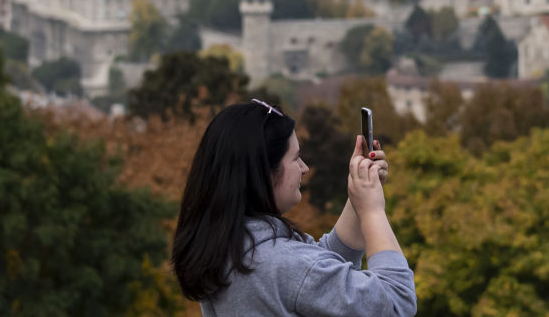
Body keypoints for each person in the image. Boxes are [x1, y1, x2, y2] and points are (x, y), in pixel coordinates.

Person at [171, 99, 417, 316]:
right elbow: (396, 302)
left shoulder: (228, 248)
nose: (304, 167)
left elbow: (318, 276)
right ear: (264, 172)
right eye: (295, 157)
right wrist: (372, 210)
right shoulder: (286, 265)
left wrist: (357, 197)